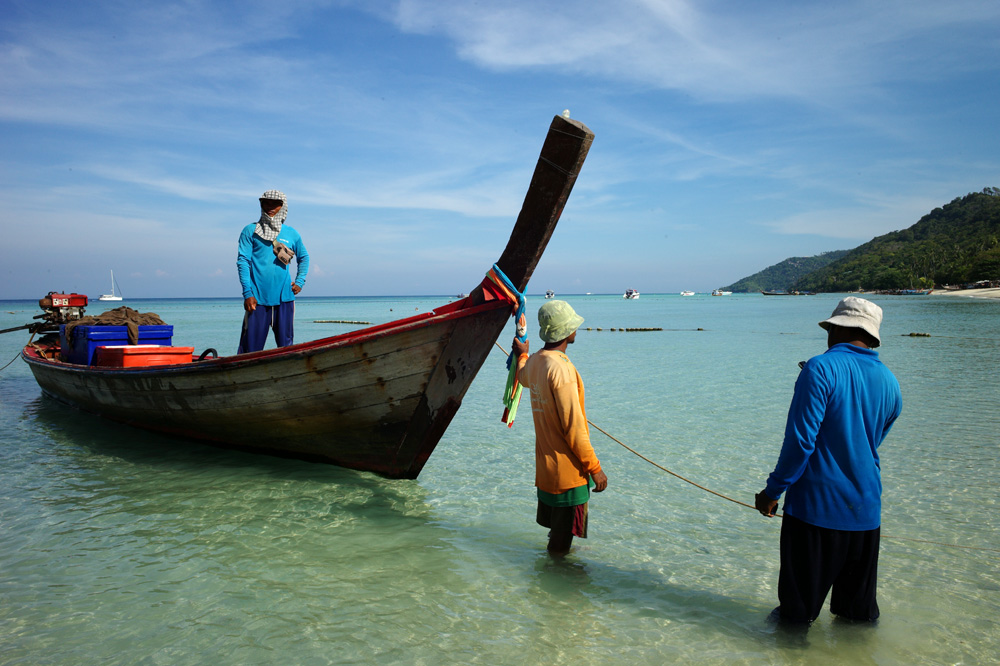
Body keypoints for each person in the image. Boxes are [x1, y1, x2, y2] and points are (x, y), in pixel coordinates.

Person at [755, 296, 902, 624]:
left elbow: (801, 443)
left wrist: (772, 492)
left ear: (835, 328)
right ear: (872, 336)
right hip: (867, 513)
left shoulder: (820, 367)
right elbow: (870, 443)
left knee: (794, 619)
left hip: (816, 512)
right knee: (856, 621)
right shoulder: (891, 382)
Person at [512, 300, 608, 556]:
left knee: (557, 533)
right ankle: (558, 584)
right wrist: (595, 469)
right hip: (569, 475)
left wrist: (522, 352)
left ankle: (549, 586)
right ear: (566, 331)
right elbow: (574, 429)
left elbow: (521, 375)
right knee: (561, 542)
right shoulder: (562, 370)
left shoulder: (535, 362)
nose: (576, 330)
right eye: (573, 326)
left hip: (546, 471)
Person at [236, 189, 310, 353]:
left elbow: (304, 258)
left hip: (284, 298)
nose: (270, 207)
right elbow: (243, 261)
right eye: (266, 202)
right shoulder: (250, 231)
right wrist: (248, 293)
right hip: (257, 300)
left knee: (286, 348)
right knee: (250, 349)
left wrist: (299, 282)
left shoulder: (291, 233)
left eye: (275, 204)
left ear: (283, 206)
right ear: (261, 204)